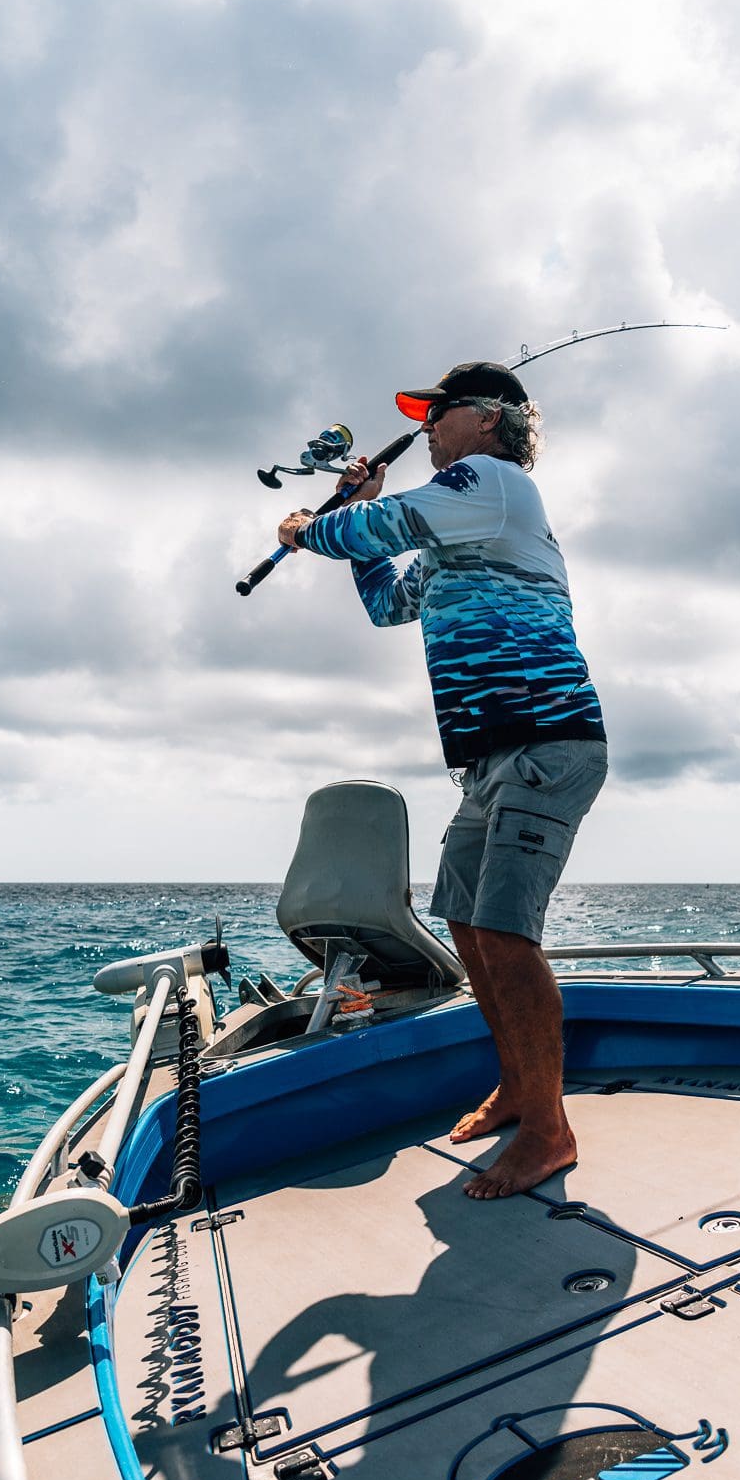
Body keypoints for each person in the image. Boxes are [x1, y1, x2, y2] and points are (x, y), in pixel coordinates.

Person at [277, 361, 607, 1198]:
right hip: (488, 757)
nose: (426, 425)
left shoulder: (489, 481)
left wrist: (309, 528)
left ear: (489, 419)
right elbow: (389, 600)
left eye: (439, 411)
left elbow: (380, 527)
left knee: (504, 933)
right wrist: (352, 519)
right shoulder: (462, 527)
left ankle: (550, 1130)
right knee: (463, 919)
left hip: (545, 739)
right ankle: (519, 1090)